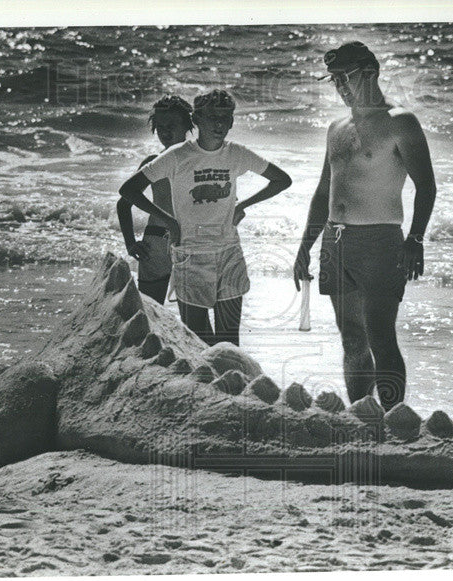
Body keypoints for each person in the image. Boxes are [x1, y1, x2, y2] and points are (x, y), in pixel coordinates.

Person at [293, 42, 436, 411]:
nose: (339, 85)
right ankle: (362, 416)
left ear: (370, 71)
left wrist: (415, 239)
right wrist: (306, 245)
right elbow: (325, 189)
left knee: (380, 337)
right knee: (352, 339)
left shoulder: (400, 122)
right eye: (334, 80)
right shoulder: (336, 127)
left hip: (380, 240)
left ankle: (393, 419)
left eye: (345, 76)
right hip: (335, 240)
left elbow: (426, 186)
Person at [119, 89, 291, 347]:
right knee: (173, 328)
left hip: (219, 248)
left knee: (221, 337)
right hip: (174, 247)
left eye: (225, 118)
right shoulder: (167, 158)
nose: (220, 124)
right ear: (198, 119)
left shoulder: (232, 153)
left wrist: (241, 205)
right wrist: (152, 230)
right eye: (212, 117)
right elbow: (126, 196)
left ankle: (222, 376)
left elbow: (280, 180)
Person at [117, 95, 193, 304]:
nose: (166, 131)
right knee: (149, 314)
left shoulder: (199, 161)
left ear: (188, 124)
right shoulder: (153, 163)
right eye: (160, 127)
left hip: (190, 244)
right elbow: (124, 202)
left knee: (194, 319)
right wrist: (130, 243)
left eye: (172, 125)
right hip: (155, 244)